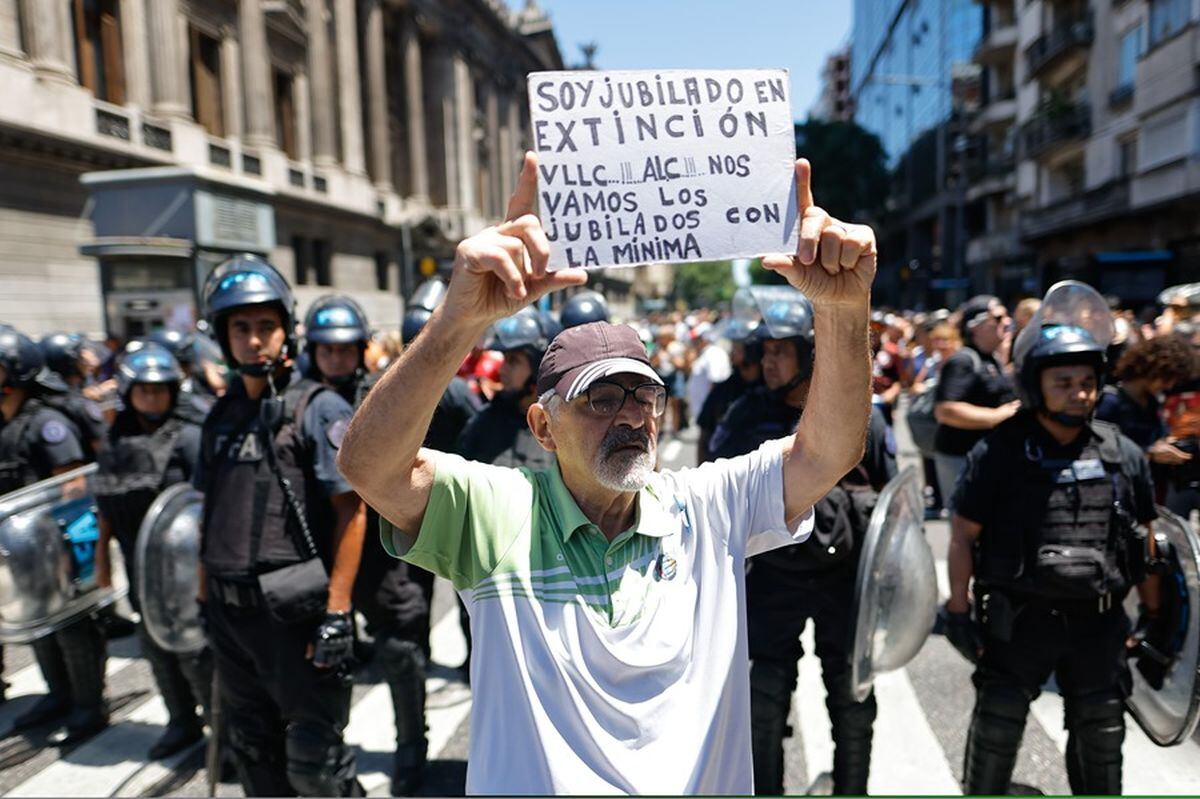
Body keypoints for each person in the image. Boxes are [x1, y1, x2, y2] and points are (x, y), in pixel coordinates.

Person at [337, 154, 875, 794]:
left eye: (645, 397)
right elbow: (368, 466)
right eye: (601, 400)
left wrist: (843, 310)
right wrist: (461, 319)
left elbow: (829, 452)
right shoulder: (498, 514)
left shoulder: (705, 509)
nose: (631, 417)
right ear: (542, 428)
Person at [943, 322, 1160, 795]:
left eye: (1086, 383)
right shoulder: (1000, 450)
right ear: (1036, 384)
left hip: (1099, 627)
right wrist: (958, 610)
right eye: (1063, 383)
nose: (1079, 394)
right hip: (1019, 621)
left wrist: (1155, 618)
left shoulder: (1122, 453)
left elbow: (1146, 542)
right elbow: (962, 535)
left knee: (1101, 740)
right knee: (995, 734)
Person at [709, 291, 896, 795]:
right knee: (763, 696)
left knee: (852, 698)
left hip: (844, 579)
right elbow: (715, 495)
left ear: (810, 355)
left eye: (780, 352)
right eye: (764, 352)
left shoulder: (863, 416)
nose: (767, 362)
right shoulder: (746, 416)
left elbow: (893, 506)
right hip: (772, 577)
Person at [194, 255, 366, 796]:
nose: (254, 341)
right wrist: (204, 603)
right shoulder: (219, 416)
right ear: (223, 337)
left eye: (265, 327)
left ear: (284, 330)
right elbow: (211, 511)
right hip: (229, 615)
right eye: (240, 328)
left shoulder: (317, 408)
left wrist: (338, 611)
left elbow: (351, 511)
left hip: (295, 616)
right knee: (254, 758)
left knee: (315, 766)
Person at [303, 293, 439, 794]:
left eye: (345, 349)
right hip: (324, 552)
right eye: (327, 350)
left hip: (386, 548)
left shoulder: (383, 393)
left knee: (402, 652)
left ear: (360, 349)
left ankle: (411, 748)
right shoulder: (300, 401)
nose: (337, 359)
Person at [92, 342, 212, 759]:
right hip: (138, 563)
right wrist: (102, 563)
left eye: (160, 389)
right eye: (144, 390)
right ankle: (182, 722)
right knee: (156, 648)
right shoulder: (117, 438)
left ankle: (224, 735)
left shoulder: (190, 436)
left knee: (198, 653)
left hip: (186, 564)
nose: (153, 397)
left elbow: (207, 503)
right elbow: (105, 502)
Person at [0, 325, 107, 744]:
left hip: (55, 547)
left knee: (72, 626)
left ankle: (87, 706)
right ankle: (57, 696)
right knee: (38, 620)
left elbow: (73, 487)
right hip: (19, 551)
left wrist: (71, 554)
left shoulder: (47, 423)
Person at [932, 295, 1019, 509]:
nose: (1007, 322)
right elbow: (945, 410)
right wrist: (999, 416)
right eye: (998, 318)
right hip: (962, 458)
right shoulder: (963, 360)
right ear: (976, 326)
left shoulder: (992, 358)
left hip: (987, 457)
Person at [458, 307, 553, 470]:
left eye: (513, 361)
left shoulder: (560, 432)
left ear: (539, 369)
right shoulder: (485, 421)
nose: (502, 370)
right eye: (505, 359)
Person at [696, 322, 763, 464]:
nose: (733, 354)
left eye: (738, 348)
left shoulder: (771, 393)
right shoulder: (723, 390)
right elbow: (705, 433)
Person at [38, 331, 109, 456]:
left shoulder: (37, 399)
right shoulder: (79, 405)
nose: (85, 362)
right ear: (68, 364)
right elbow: (104, 449)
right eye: (79, 358)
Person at [685, 323, 732, 430]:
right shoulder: (705, 353)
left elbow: (716, 382)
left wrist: (711, 411)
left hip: (711, 415)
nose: (694, 343)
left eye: (697, 339)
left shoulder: (713, 354)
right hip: (705, 414)